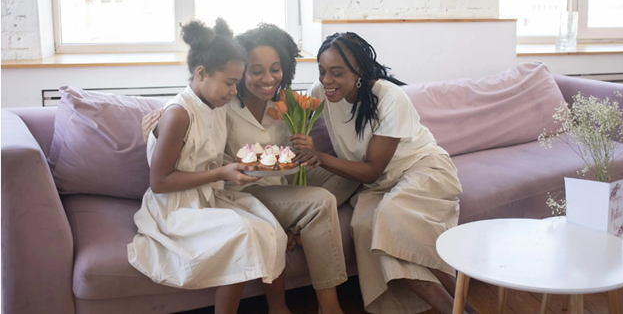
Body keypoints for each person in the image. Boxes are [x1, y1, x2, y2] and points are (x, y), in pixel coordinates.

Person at [142, 23, 357, 314]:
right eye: (255, 71)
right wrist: (156, 128)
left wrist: (305, 147)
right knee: (319, 203)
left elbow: (285, 158)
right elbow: (185, 126)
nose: (268, 78)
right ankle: (324, 305)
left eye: (275, 68)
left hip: (278, 184)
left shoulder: (285, 104)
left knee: (349, 172)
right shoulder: (222, 103)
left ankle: (291, 226)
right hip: (240, 188)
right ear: (241, 72)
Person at [129, 18, 300, 314]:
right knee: (241, 233)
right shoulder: (179, 115)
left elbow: (212, 155)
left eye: (236, 82)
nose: (234, 91)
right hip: (176, 208)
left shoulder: (215, 105)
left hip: (209, 197)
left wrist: (239, 167)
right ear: (201, 73)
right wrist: (222, 172)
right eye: (230, 82)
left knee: (271, 228)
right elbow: (160, 182)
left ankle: (279, 308)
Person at [290, 32, 465, 314]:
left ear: (359, 71)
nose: (326, 81)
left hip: (420, 169)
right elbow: (293, 123)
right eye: (322, 71)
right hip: (378, 185)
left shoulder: (390, 97)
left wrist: (319, 157)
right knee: (365, 228)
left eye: (337, 73)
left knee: (391, 216)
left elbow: (371, 170)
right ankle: (460, 309)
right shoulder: (319, 92)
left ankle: (461, 302)